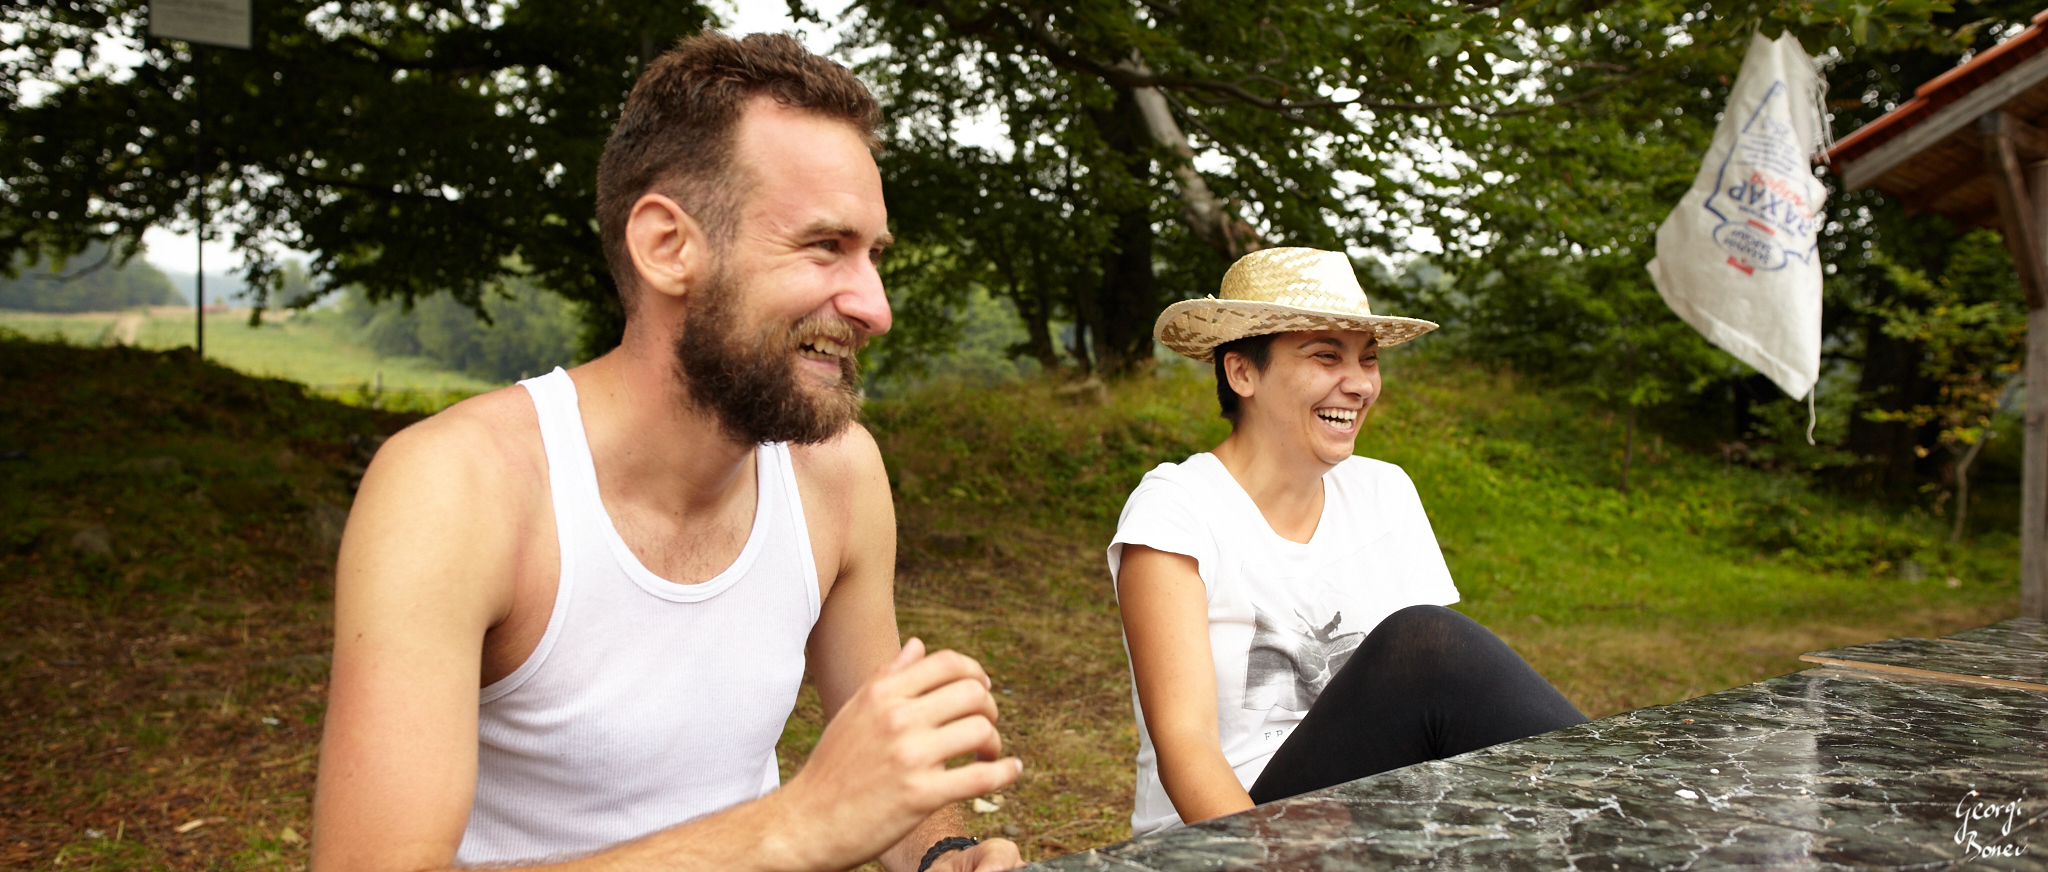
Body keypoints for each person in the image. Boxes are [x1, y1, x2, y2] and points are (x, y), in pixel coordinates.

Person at [311, 33, 1021, 872]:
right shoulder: (457, 488)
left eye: (874, 256)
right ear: (667, 247)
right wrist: (787, 829)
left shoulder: (838, 473)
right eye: (826, 246)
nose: (875, 306)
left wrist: (945, 854)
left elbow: (879, 787)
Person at [1111, 247, 1587, 836]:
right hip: (1230, 837)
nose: (1359, 384)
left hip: (1376, 817)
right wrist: (1258, 857)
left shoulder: (1383, 490)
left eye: (1369, 360)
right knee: (1425, 643)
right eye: (1326, 356)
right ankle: (1645, 807)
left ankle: (1635, 813)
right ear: (1243, 372)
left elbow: (1435, 719)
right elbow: (1185, 743)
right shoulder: (1178, 509)